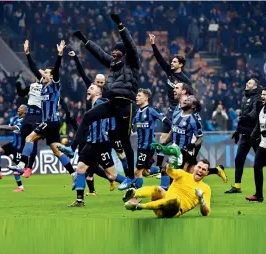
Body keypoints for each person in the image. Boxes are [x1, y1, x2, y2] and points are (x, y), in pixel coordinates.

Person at [71, 13, 140, 190]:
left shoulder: (131, 62)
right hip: (112, 103)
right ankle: (73, 147)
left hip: (126, 104)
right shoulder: (112, 64)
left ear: (122, 52)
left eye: (116, 50)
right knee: (88, 116)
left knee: (125, 142)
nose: (112, 52)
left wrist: (120, 24)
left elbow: (130, 45)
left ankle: (131, 177)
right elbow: (99, 53)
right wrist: (84, 40)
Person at [8, 40, 75, 180]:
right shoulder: (43, 86)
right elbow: (33, 68)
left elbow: (56, 70)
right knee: (57, 152)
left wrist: (60, 55)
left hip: (49, 121)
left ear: (51, 76)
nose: (43, 74)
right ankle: (74, 174)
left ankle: (21, 166)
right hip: (52, 123)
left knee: (29, 138)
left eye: (46, 73)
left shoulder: (54, 85)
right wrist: (27, 53)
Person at [66, 50, 129, 180]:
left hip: (108, 129)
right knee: (86, 160)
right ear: (94, 82)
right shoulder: (91, 88)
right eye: (98, 83)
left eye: (102, 83)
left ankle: (128, 177)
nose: (99, 85)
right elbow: (82, 73)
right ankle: (86, 182)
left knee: (121, 154)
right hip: (91, 126)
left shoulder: (106, 93)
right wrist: (76, 58)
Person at [69, 84, 126, 207]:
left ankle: (133, 187)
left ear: (99, 93)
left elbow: (110, 105)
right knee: (80, 169)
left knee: (112, 175)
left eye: (92, 88)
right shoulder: (93, 106)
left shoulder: (101, 102)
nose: (88, 89)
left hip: (101, 145)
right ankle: (79, 201)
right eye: (89, 88)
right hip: (91, 144)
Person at [148, 33, 194, 176]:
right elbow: (159, 59)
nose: (172, 63)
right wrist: (153, 45)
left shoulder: (185, 80)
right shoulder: (169, 71)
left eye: (174, 62)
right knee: (162, 139)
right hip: (170, 110)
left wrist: (186, 111)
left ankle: (180, 167)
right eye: (172, 61)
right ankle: (161, 170)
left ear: (180, 64)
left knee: (174, 142)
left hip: (179, 111)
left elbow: (191, 97)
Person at [123, 144, 211, 218]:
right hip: (159, 203)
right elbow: (169, 171)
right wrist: (171, 164)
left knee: (176, 199)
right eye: (199, 167)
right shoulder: (183, 174)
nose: (200, 170)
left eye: (203, 169)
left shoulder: (205, 188)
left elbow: (206, 213)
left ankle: (138, 206)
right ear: (195, 167)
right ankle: (134, 194)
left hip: (172, 211)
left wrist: (201, 199)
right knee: (158, 189)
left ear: (207, 173)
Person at [226, 79, 262, 193]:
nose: (247, 84)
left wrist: (245, 117)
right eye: (247, 82)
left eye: (250, 83)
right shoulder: (244, 98)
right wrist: (237, 131)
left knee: (262, 161)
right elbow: (242, 116)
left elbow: (254, 113)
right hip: (245, 135)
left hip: (255, 134)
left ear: (255, 87)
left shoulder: (258, 98)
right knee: (238, 159)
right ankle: (237, 187)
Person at [132, 88, 171, 188]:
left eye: (139, 95)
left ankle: (135, 196)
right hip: (140, 145)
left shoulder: (151, 111)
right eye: (137, 95)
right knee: (145, 172)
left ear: (146, 98)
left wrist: (174, 128)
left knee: (137, 171)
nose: (136, 97)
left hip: (148, 145)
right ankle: (161, 169)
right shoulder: (137, 113)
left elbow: (165, 120)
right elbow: (131, 127)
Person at [0, 105, 27, 192]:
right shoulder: (15, 118)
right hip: (13, 143)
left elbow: (12, 128)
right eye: (18, 107)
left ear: (25, 111)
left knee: (17, 169)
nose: (18, 109)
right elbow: (8, 126)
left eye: (20, 108)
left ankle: (20, 186)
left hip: (19, 147)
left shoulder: (25, 121)